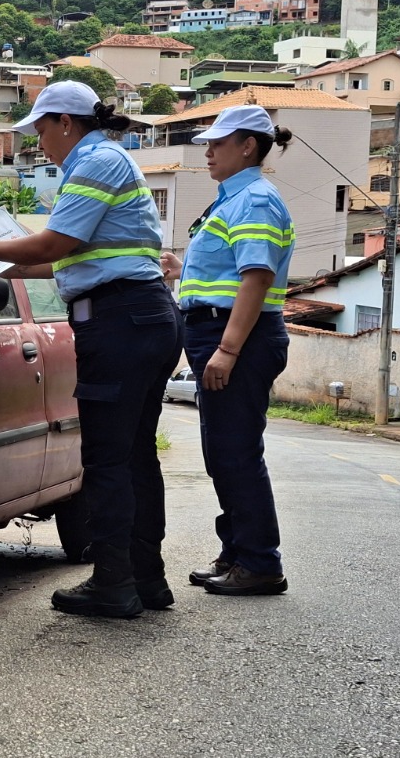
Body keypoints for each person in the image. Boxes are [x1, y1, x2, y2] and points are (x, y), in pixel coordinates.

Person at [0, 80, 181, 618]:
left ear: (66, 123)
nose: (39, 143)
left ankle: (114, 583)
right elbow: (61, 261)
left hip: (120, 322)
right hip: (139, 317)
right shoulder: (106, 160)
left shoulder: (95, 163)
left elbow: (56, 244)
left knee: (107, 458)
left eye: (41, 130)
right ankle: (146, 579)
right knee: (134, 455)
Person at [163, 103, 295, 596]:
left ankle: (259, 563)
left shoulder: (255, 200)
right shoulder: (232, 199)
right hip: (218, 332)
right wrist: (184, 273)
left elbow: (256, 278)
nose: (208, 152)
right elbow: (230, 273)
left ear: (248, 146)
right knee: (222, 453)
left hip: (240, 337)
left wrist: (229, 350)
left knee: (236, 453)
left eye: (218, 143)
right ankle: (237, 553)